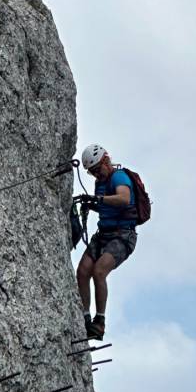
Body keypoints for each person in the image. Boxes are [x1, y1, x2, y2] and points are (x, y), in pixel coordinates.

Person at [75, 144, 138, 339]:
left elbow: (123, 199)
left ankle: (99, 322)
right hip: (104, 233)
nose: (96, 175)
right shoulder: (100, 183)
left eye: (97, 170)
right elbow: (107, 206)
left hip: (122, 235)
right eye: (92, 173)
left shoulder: (118, 177)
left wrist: (98, 199)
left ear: (105, 161)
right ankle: (85, 318)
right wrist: (91, 204)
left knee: (99, 271)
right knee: (83, 271)